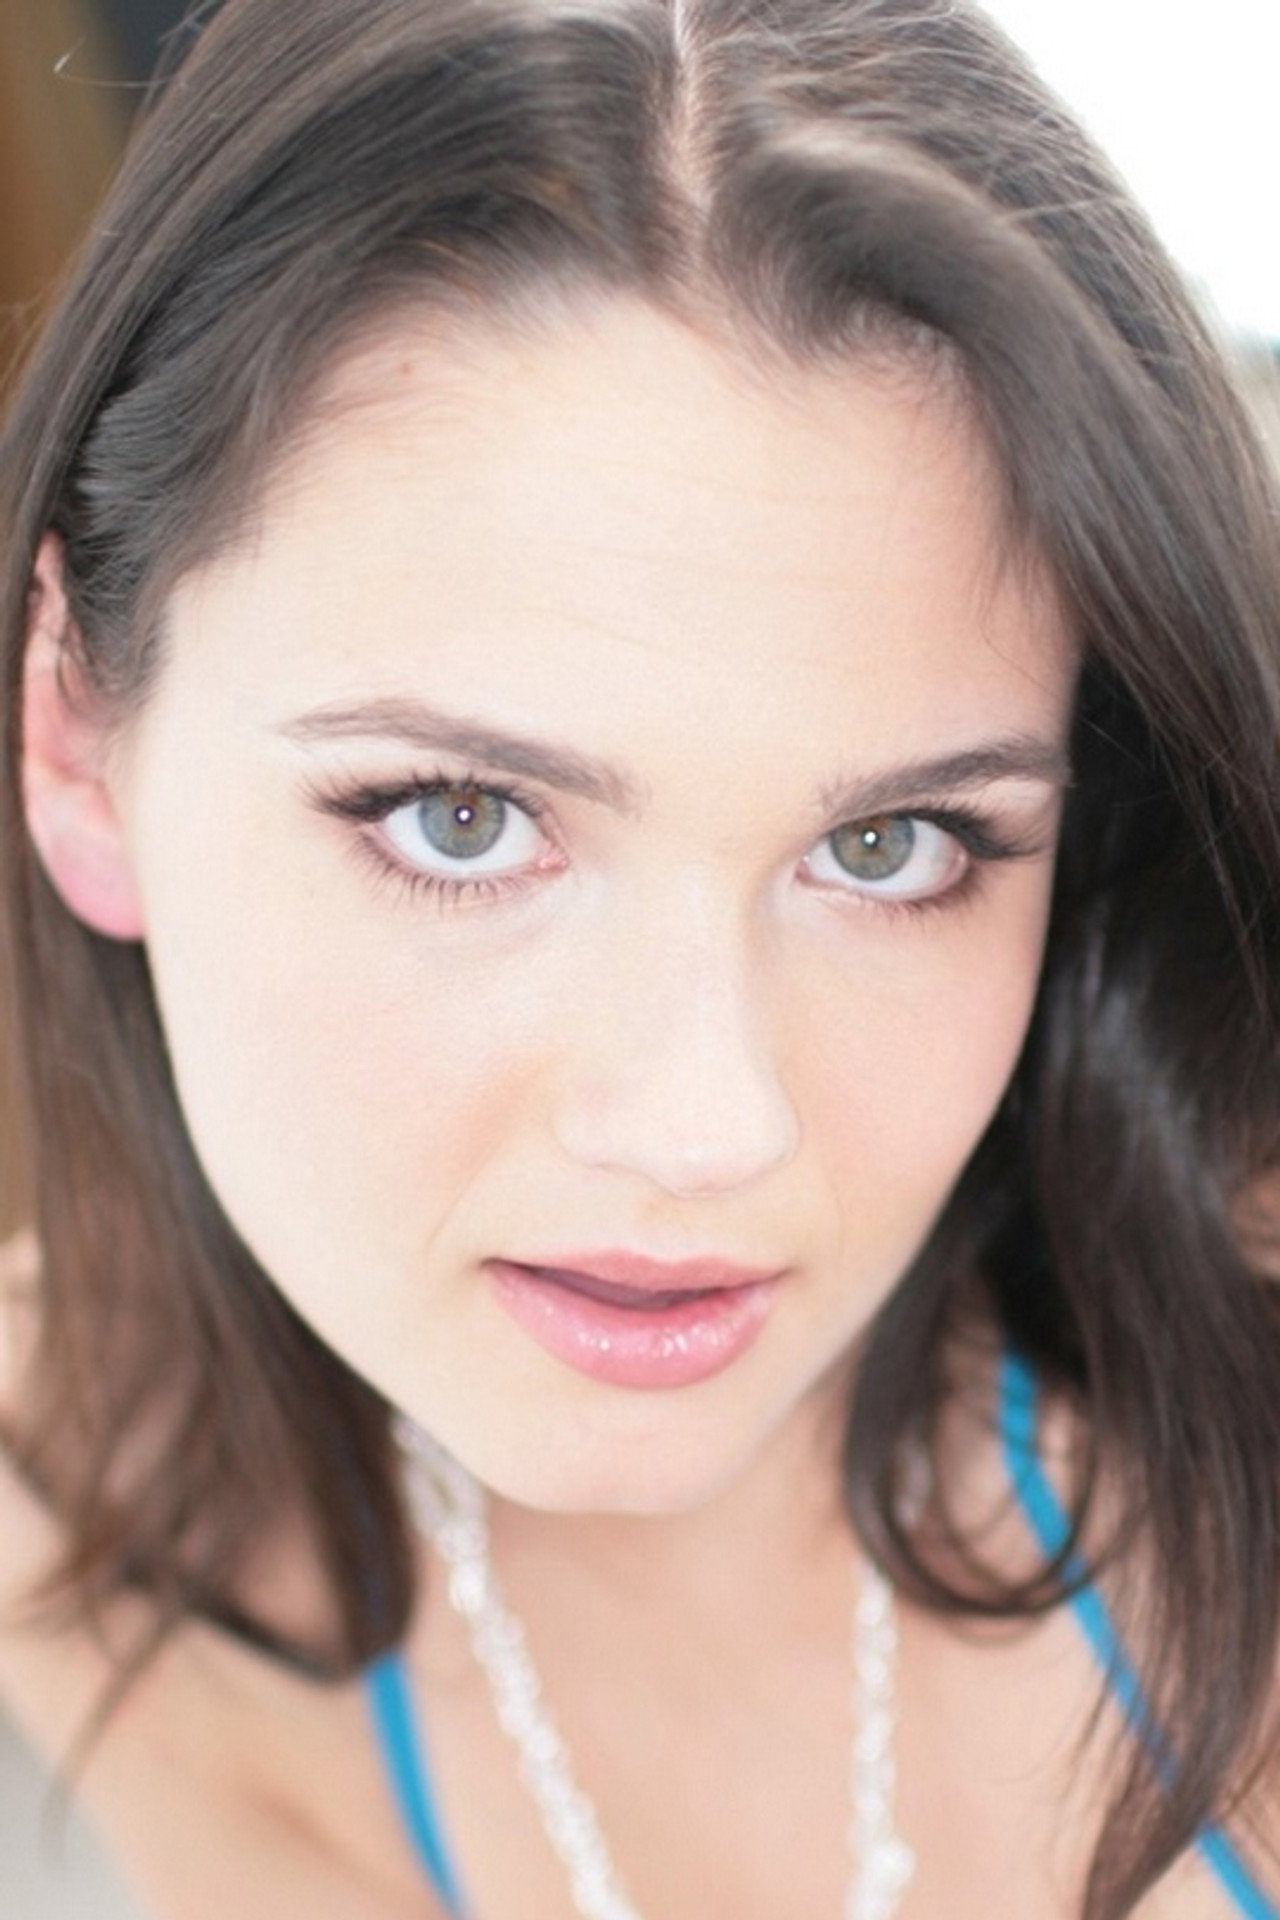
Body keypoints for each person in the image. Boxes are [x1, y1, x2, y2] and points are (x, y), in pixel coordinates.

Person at [1, 0, 1278, 1915]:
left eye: (889, 847)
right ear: (78, 738)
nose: (706, 1126)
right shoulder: (70, 1513)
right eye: (461, 819)